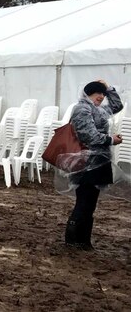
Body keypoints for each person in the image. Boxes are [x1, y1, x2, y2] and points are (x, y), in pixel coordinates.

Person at [65, 80, 123, 250]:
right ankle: (72, 240)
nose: (102, 97)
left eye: (103, 94)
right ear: (89, 93)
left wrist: (109, 88)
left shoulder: (98, 109)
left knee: (90, 202)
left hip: (98, 162)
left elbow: (117, 106)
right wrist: (111, 139)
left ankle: (83, 240)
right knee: (83, 200)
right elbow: (88, 136)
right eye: (99, 93)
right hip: (85, 162)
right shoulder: (82, 109)